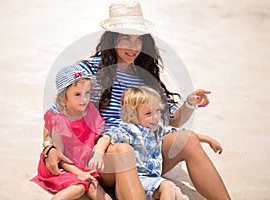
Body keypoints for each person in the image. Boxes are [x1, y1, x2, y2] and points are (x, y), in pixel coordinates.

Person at [44, 1, 231, 200]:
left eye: (138, 40)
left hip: (147, 149)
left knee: (189, 140)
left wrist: (190, 103)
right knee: (124, 151)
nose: (134, 47)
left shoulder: (146, 74)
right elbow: (58, 110)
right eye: (126, 38)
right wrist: (49, 147)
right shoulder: (91, 70)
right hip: (108, 154)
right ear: (113, 40)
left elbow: (171, 123)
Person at [31, 65, 112, 200]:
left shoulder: (90, 111)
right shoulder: (60, 121)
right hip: (63, 167)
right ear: (64, 98)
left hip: (81, 164)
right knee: (81, 186)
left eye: (87, 93)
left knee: (93, 184)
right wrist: (80, 173)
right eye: (77, 95)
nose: (84, 99)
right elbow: (60, 158)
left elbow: (101, 135)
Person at [104, 86, 191, 200]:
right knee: (168, 187)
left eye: (157, 111)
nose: (155, 117)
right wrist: (98, 152)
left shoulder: (157, 129)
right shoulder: (129, 130)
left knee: (177, 193)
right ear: (132, 114)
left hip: (153, 178)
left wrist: (207, 139)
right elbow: (108, 137)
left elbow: (180, 133)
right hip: (136, 179)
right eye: (149, 113)